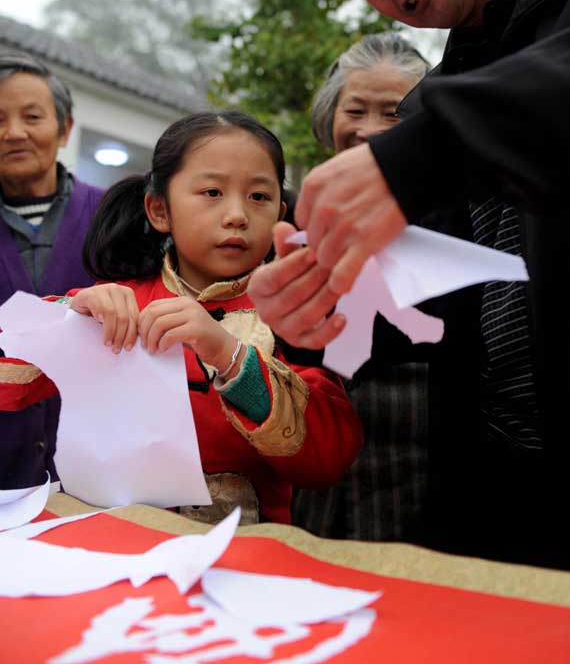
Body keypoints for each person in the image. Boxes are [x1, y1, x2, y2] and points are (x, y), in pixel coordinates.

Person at [249, 0, 570, 573]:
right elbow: (434, 310)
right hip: (503, 498)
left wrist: (427, 151)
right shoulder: (433, 104)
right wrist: (319, 312)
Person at [0, 111, 362, 521]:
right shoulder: (115, 306)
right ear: (159, 210)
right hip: (115, 549)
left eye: (258, 197)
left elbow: (329, 459)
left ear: (280, 212)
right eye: (212, 192)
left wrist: (230, 356)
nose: (237, 215)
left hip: (239, 559)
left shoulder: (296, 313)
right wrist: (69, 317)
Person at [293, 31, 431, 540]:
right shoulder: (297, 215)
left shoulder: (462, 212)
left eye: (394, 112)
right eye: (355, 110)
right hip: (321, 451)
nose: (370, 131)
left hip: (429, 452)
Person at [0, 51, 103, 491]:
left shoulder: (112, 217)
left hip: (96, 474)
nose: (14, 133)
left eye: (32, 117)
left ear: (64, 129)